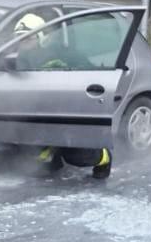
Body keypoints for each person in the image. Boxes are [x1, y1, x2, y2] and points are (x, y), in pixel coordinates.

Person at [11, 13, 112, 181]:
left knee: (76, 157)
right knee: (35, 153)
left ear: (42, 38)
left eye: (28, 39)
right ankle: (52, 159)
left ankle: (104, 156)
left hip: (72, 111)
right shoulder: (23, 59)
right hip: (45, 114)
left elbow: (92, 75)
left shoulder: (61, 54)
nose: (23, 44)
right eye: (19, 39)